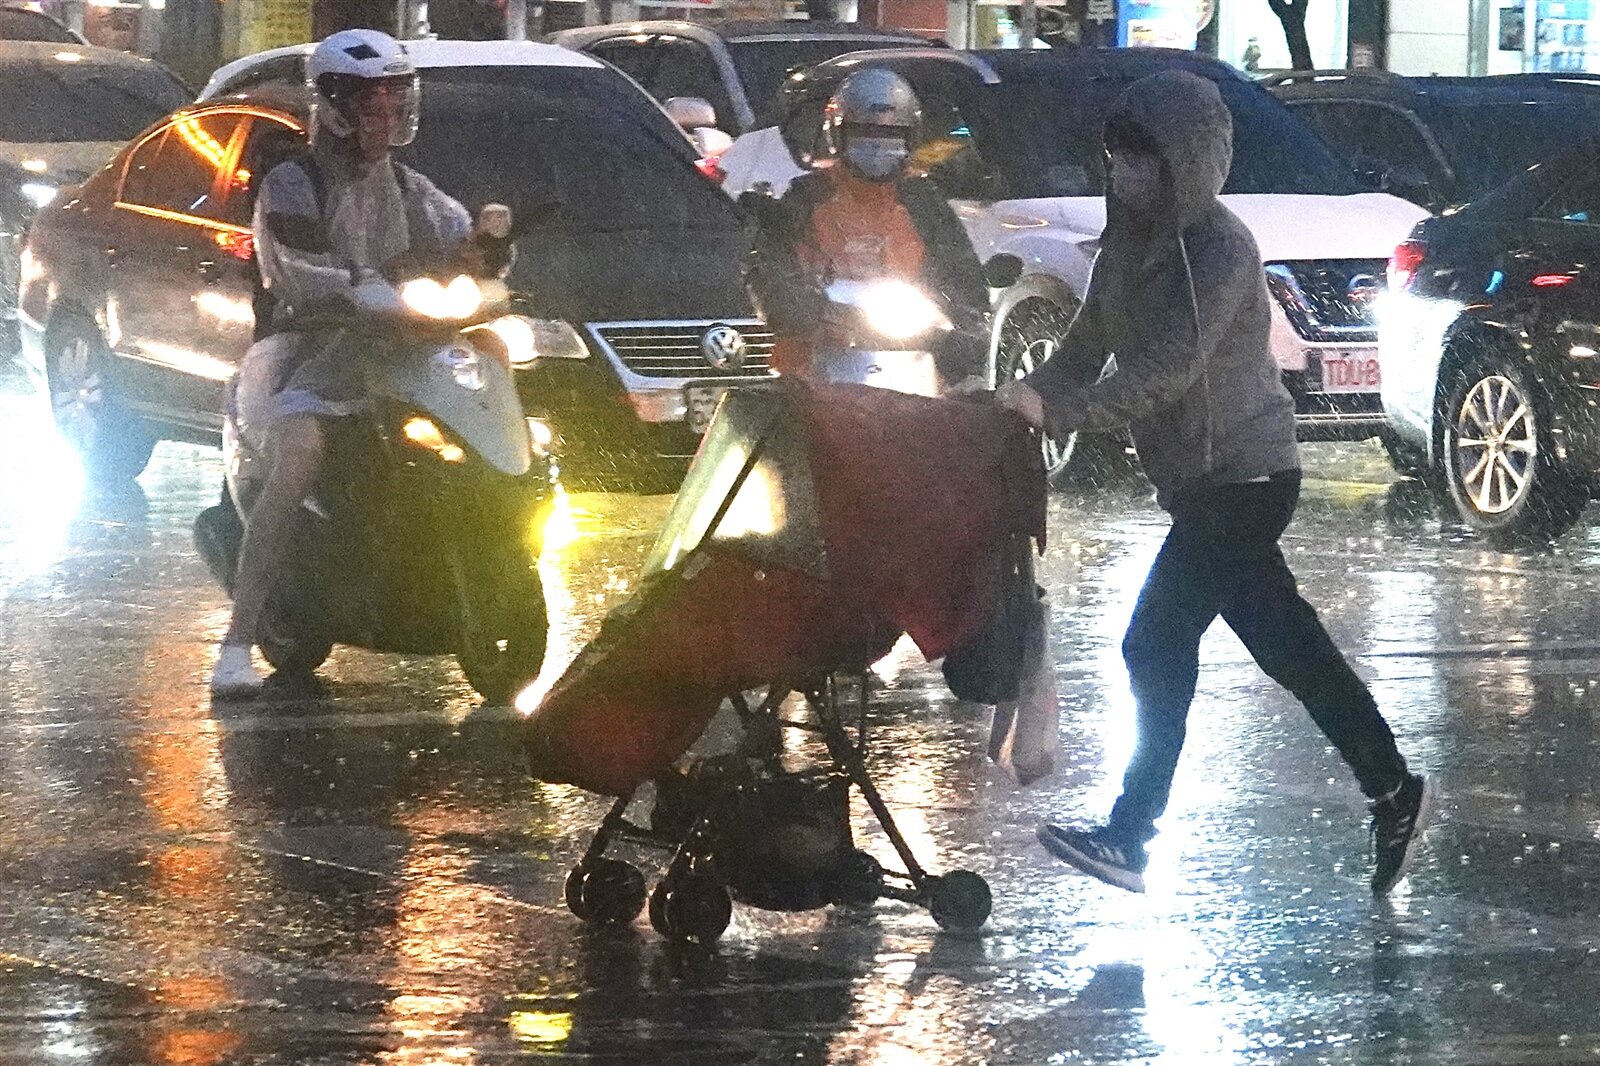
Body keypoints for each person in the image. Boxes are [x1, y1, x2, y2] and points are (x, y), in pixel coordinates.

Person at [994, 70, 1433, 896]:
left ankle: (1131, 836)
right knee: (1292, 650)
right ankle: (1394, 788)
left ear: (1185, 162)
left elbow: (1166, 373)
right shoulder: (1127, 247)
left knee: (1154, 643)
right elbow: (1083, 350)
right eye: (1118, 156)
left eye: (1143, 158)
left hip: (1247, 476)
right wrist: (1019, 398)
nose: (1126, 172)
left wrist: (1060, 414)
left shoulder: (1220, 251)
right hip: (1199, 486)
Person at [210, 29, 474, 697]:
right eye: (371, 102)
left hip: (393, 346)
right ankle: (237, 643)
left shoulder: (408, 185)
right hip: (304, 350)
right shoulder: (291, 182)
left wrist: (491, 250)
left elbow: (456, 234)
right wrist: (357, 286)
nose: (386, 116)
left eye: (395, 100)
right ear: (333, 106)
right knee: (300, 454)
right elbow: (295, 268)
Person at [743, 67, 989, 393]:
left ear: (910, 138)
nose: (877, 145)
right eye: (864, 132)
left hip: (912, 358)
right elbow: (769, 267)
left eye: (891, 135)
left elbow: (961, 269)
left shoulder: (924, 203)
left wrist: (968, 326)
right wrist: (796, 306)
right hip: (815, 367)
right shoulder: (805, 199)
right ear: (837, 136)